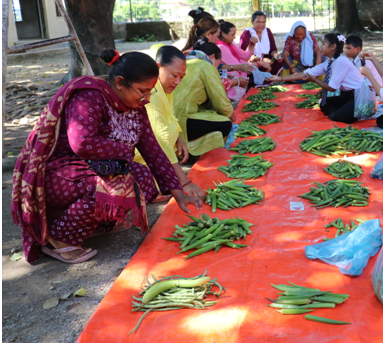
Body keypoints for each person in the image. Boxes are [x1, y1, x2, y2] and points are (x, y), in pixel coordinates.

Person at [11, 50, 202, 264]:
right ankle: (59, 237)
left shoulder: (136, 105)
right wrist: (124, 151)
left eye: (150, 92)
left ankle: (99, 222)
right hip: (60, 172)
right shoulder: (89, 96)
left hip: (95, 167)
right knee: (115, 186)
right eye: (142, 91)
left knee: (143, 179)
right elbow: (81, 142)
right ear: (120, 83)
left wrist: (179, 194)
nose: (146, 98)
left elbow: (153, 150)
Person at [133, 46, 204, 200]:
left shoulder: (164, 88)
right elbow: (160, 139)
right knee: (159, 186)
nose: (178, 81)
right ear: (158, 68)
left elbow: (169, 117)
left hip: (158, 155)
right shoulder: (151, 92)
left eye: (182, 77)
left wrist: (178, 138)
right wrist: (184, 181)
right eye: (174, 75)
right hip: (141, 158)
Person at [173, 42, 235, 158]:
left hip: (170, 119)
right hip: (182, 120)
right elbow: (221, 102)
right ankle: (191, 150)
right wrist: (232, 117)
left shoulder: (187, 60)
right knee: (225, 123)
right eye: (218, 64)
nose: (216, 68)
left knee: (210, 114)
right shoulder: (206, 66)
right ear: (212, 57)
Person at [302, 33, 365, 124]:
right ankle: (344, 111)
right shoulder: (330, 62)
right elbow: (306, 73)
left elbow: (332, 88)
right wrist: (278, 78)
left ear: (333, 46)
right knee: (324, 104)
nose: (321, 47)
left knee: (339, 116)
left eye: (323, 44)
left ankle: (343, 113)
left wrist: (315, 80)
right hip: (347, 95)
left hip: (359, 96)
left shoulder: (341, 61)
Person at [217, 20, 270, 93]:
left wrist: (251, 45)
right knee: (236, 72)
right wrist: (260, 63)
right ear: (223, 34)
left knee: (242, 62)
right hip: (223, 75)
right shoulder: (221, 47)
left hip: (232, 69)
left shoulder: (230, 43)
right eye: (232, 35)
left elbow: (245, 56)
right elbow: (238, 66)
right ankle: (231, 96)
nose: (234, 37)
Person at [239, 10, 282, 75]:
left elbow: (273, 50)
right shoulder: (247, 33)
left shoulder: (267, 31)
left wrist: (277, 56)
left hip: (264, 58)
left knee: (279, 60)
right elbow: (244, 55)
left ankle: (271, 77)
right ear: (252, 22)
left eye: (263, 22)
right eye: (258, 22)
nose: (261, 25)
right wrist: (261, 60)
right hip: (253, 61)